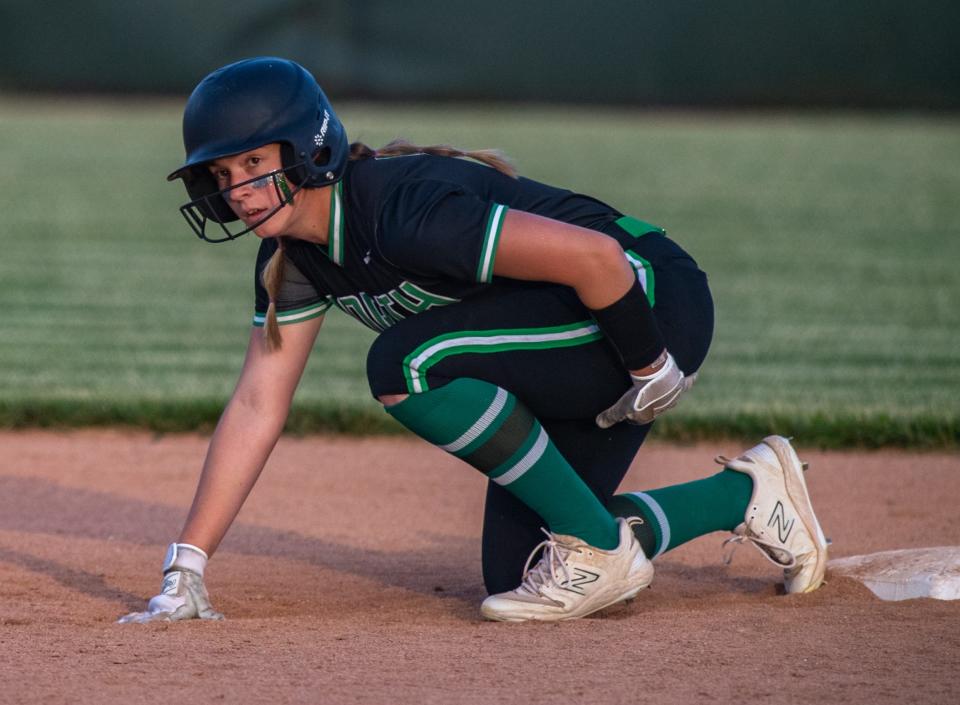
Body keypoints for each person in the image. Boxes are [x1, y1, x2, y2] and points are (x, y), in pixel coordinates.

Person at [119, 57, 827, 624]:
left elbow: (597, 259)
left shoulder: (399, 210)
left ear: (309, 145)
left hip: (642, 304)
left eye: (251, 163)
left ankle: (605, 548)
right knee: (519, 570)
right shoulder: (293, 260)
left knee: (404, 362)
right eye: (222, 174)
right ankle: (746, 495)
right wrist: (187, 565)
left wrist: (652, 365)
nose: (237, 189)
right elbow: (256, 405)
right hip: (572, 332)